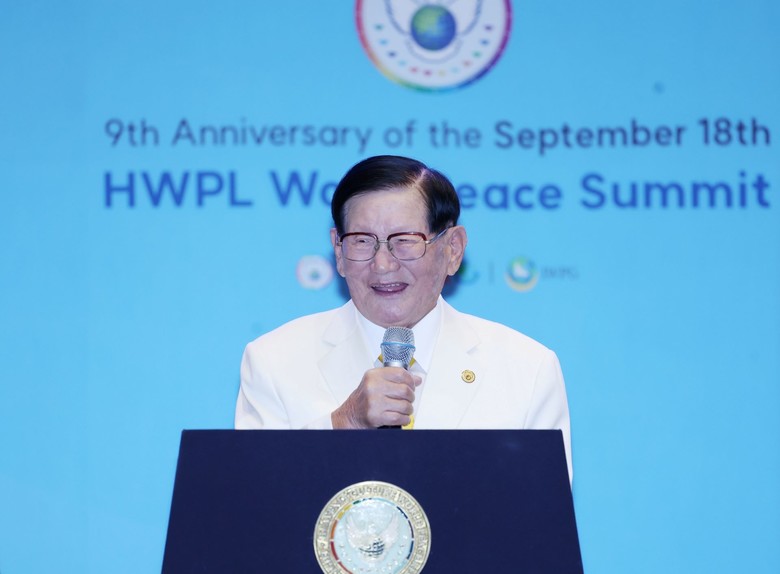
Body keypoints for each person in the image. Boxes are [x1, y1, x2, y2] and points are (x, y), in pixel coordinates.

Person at [235, 155, 572, 477]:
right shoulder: (273, 361)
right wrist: (344, 423)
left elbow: (538, 510)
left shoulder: (527, 369)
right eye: (362, 240)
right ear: (338, 251)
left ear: (453, 249)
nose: (383, 264)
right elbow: (253, 500)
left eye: (405, 240)